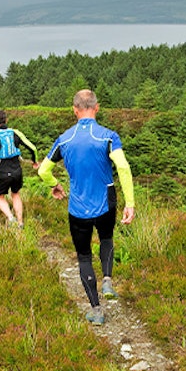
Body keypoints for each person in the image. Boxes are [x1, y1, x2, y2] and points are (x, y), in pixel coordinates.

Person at [37, 89, 135, 325]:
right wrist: (130, 202)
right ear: (97, 107)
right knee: (107, 238)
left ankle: (97, 309)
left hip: (78, 208)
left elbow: (43, 170)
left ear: (74, 110)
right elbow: (123, 167)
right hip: (106, 201)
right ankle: (108, 280)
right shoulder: (109, 136)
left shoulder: (64, 139)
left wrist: (55, 185)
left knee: (83, 257)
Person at [0, 109, 38, 228]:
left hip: (2, 168)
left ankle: (11, 218)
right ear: (6, 120)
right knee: (16, 194)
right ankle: (20, 223)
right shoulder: (16, 132)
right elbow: (32, 148)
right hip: (16, 167)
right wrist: (34, 161)